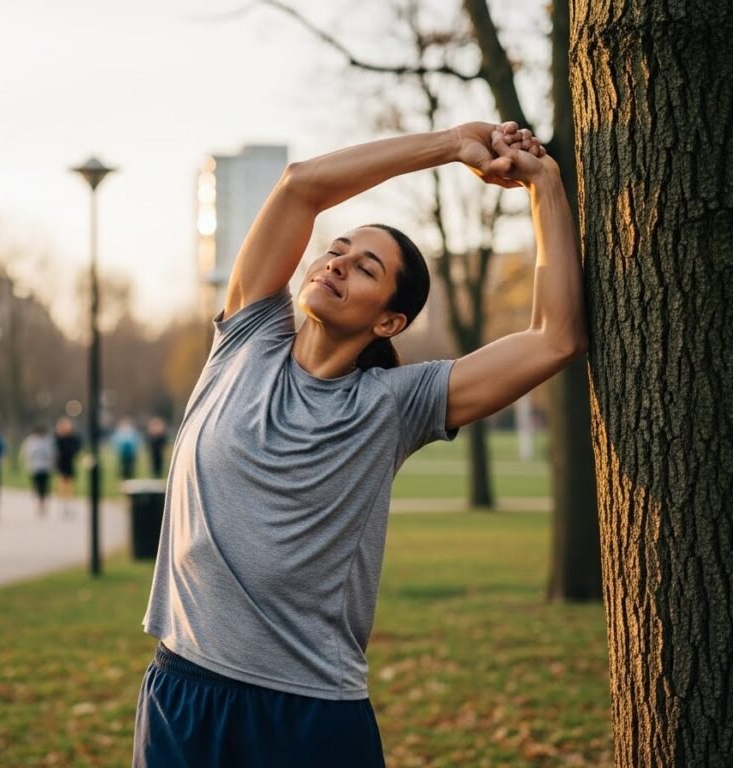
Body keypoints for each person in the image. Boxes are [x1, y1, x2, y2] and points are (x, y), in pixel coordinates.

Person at [132, 122, 586, 767]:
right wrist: (455, 144)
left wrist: (543, 185)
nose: (337, 262)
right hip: (185, 689)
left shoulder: (394, 404)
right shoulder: (246, 340)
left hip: (307, 713)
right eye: (337, 250)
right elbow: (300, 188)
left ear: (389, 320)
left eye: (366, 267)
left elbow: (554, 338)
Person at [20, 424, 54, 517]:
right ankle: (39, 502)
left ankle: (42, 503)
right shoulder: (30, 441)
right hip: (34, 467)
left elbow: (52, 453)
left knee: (44, 486)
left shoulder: (47, 441)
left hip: (45, 467)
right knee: (37, 485)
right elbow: (25, 453)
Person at [53, 417, 81, 519]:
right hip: (61, 465)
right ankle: (63, 506)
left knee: (70, 486)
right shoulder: (58, 438)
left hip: (70, 464)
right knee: (61, 486)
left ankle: (69, 505)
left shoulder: (73, 438)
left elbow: (77, 447)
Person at [111, 417, 141, 481]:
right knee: (123, 467)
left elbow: (135, 441)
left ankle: (130, 479)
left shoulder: (132, 431)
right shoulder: (120, 432)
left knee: (130, 467)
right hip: (123, 453)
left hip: (130, 453)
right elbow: (116, 441)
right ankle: (124, 479)